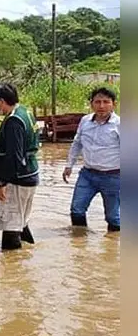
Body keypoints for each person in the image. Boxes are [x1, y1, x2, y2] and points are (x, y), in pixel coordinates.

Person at [0, 83, 40, 250]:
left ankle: (12, 269)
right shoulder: (26, 112)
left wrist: (1, 183)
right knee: (21, 221)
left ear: (2, 101)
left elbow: (13, 156)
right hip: (30, 174)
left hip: (16, 178)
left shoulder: (14, 121)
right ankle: (28, 256)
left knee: (10, 226)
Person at [63, 87, 120, 232]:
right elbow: (77, 143)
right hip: (87, 175)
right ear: (91, 104)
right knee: (77, 210)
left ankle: (112, 248)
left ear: (114, 104)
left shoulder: (120, 124)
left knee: (113, 217)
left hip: (113, 176)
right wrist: (69, 165)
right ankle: (79, 245)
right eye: (98, 102)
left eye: (106, 102)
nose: (101, 106)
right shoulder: (85, 121)